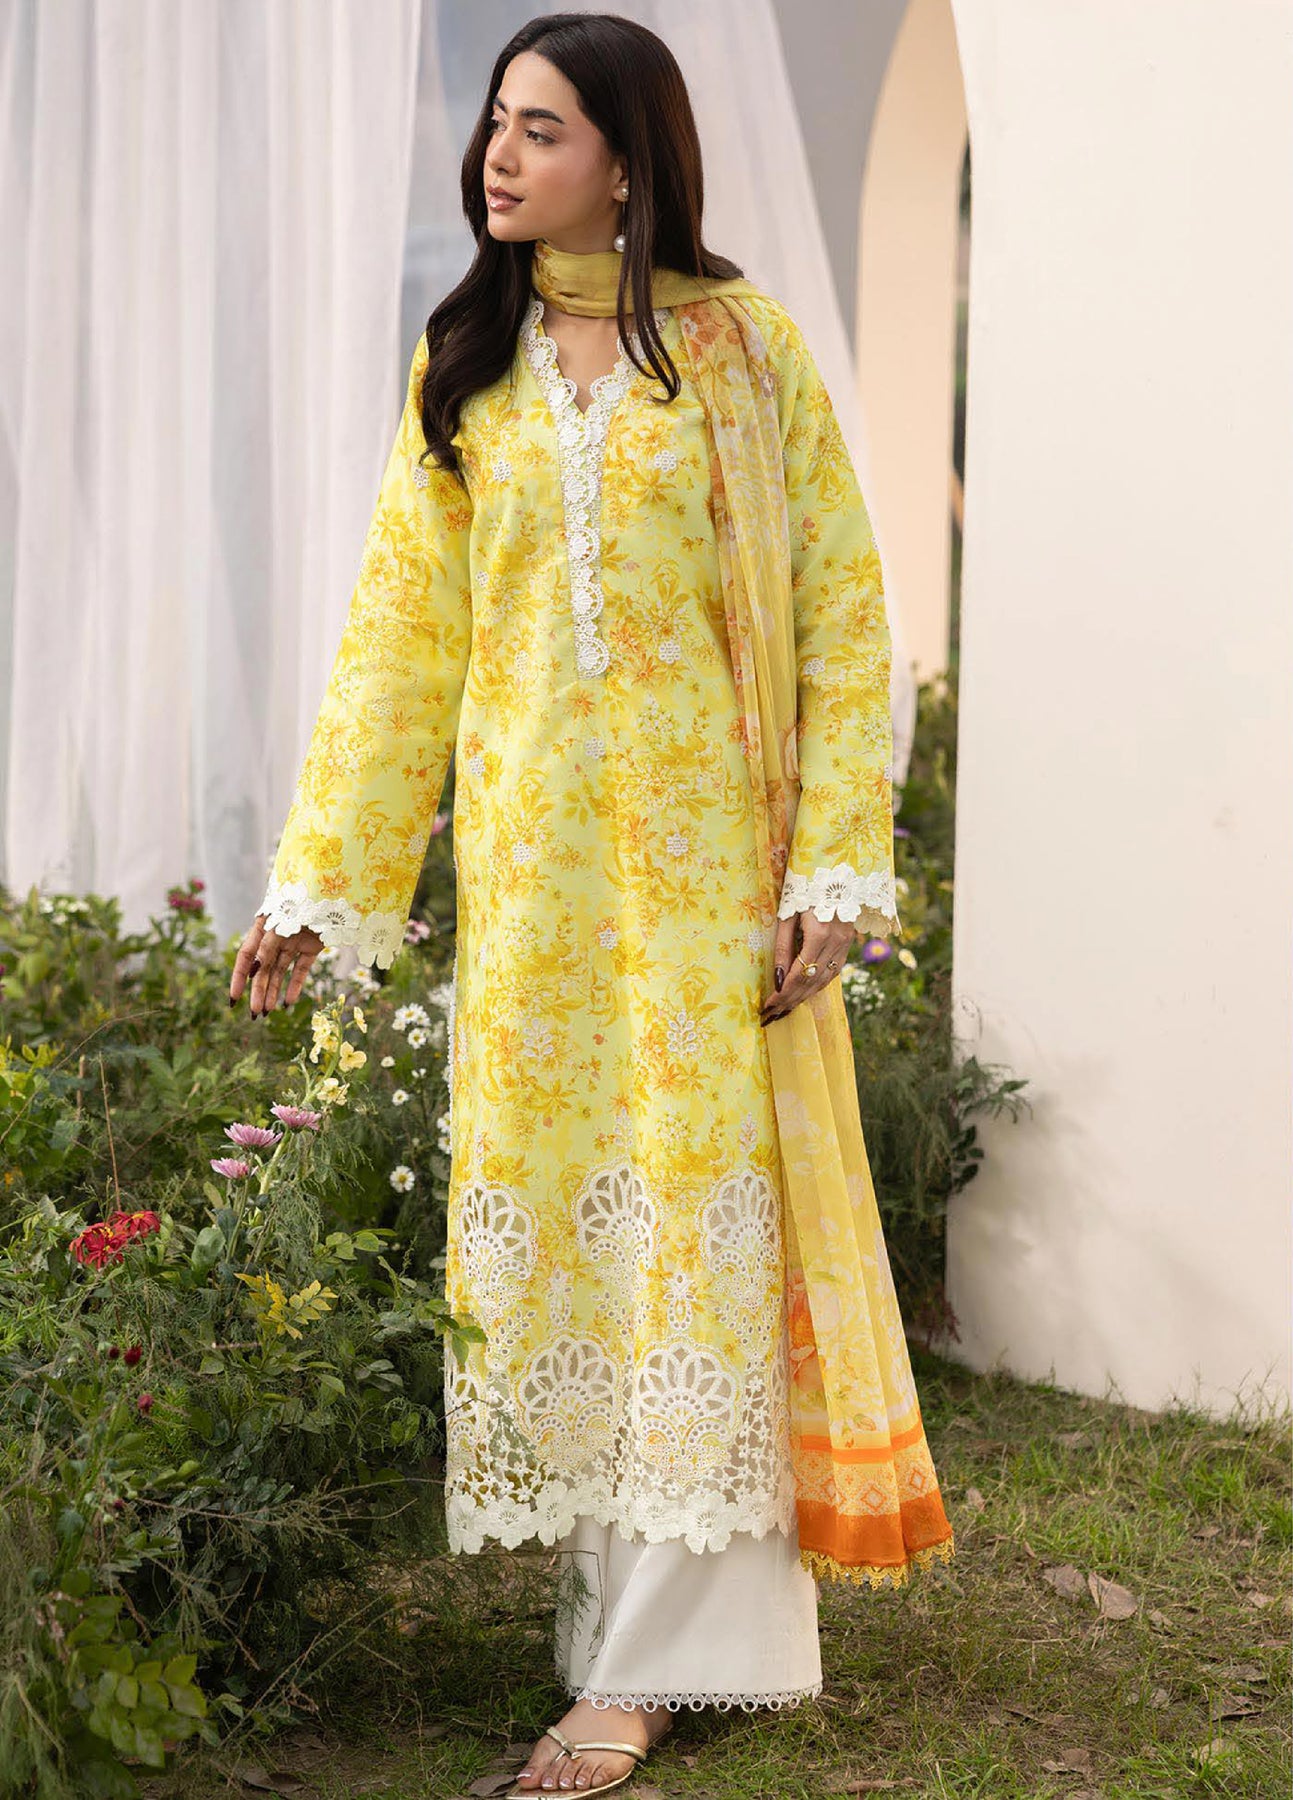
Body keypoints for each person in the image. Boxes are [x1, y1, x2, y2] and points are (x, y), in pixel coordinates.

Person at [228, 13, 954, 1797]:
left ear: (627, 161)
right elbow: (400, 642)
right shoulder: (465, 367)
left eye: (540, 129)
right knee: (577, 1236)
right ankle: (613, 1621)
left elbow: (841, 610)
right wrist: (322, 880)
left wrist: (828, 866)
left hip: (705, 889)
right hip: (538, 897)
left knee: (694, 1243)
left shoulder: (736, 352)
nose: (498, 155)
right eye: (495, 123)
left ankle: (649, 1674)